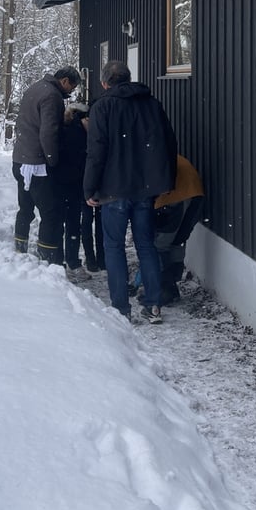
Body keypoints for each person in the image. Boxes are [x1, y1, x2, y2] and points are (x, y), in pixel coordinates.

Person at [84, 60, 177, 323]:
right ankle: (154, 304)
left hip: (113, 189)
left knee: (113, 247)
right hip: (145, 188)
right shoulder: (151, 104)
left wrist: (89, 187)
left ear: (104, 82)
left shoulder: (102, 107)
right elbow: (168, 142)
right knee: (146, 246)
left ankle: (121, 308)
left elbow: (96, 152)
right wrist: (164, 181)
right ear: (128, 78)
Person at [12, 66, 80, 263]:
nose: (71, 92)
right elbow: (48, 132)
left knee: (25, 207)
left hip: (20, 159)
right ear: (64, 80)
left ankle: (20, 246)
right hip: (38, 164)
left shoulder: (34, 88)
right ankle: (47, 257)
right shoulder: (52, 96)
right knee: (51, 213)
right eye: (72, 87)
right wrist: (52, 159)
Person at [132, 155, 204, 305]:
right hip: (194, 193)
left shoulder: (143, 161)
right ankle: (171, 287)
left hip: (173, 198)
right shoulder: (159, 152)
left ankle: (163, 291)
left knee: (160, 246)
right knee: (177, 241)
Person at [56, 102, 92, 282]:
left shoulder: (61, 128)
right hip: (75, 183)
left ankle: (57, 262)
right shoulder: (81, 133)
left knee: (58, 223)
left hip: (59, 181)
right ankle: (73, 262)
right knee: (72, 224)